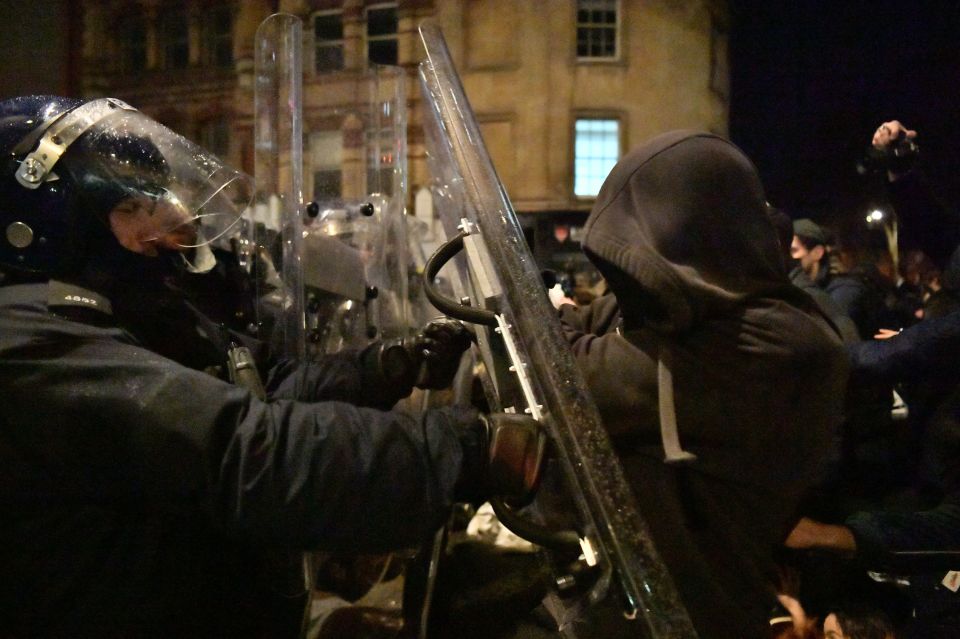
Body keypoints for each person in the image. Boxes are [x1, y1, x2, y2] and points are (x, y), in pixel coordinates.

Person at [0, 95, 542, 637]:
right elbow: (240, 448)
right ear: (48, 218)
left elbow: (262, 385)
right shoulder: (31, 346)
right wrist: (465, 451)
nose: (166, 221)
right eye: (131, 207)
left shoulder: (135, 310)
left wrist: (386, 367)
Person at [559, 130, 848, 638]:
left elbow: (572, 373)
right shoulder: (698, 314)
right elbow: (584, 328)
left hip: (691, 615)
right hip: (635, 597)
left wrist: (560, 318)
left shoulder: (775, 343)